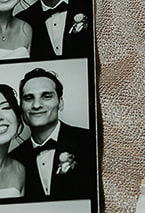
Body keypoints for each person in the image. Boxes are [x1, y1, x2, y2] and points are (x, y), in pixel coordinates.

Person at [10, 67, 95, 201]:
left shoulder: (90, 141)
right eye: (29, 98)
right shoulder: (13, 159)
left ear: (60, 103)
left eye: (46, 96)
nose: (36, 105)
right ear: (21, 107)